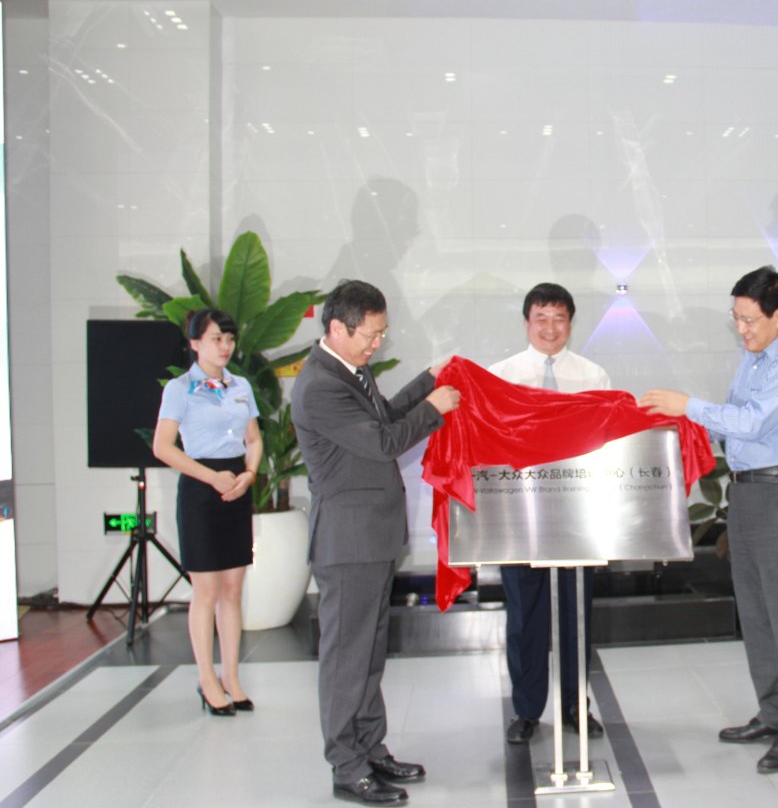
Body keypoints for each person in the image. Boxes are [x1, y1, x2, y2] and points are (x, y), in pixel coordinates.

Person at [639, 266, 778, 774]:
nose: (741, 329)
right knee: (757, 612)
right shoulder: (753, 358)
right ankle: (772, 713)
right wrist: (675, 425)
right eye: (736, 318)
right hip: (746, 494)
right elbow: (731, 427)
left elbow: (754, 422)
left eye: (749, 320)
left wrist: (688, 405)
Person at [290, 280, 460, 807]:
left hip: (371, 537)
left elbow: (383, 415)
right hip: (348, 542)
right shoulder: (320, 385)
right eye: (370, 334)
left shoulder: (350, 370)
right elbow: (385, 442)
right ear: (337, 328)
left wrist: (426, 381)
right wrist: (434, 407)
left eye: (382, 333)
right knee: (347, 658)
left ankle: (370, 748)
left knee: (368, 653)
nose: (377, 344)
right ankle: (347, 766)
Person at [487, 282, 610, 745]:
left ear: (570, 323)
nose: (550, 328)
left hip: (578, 516)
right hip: (519, 517)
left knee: (577, 616)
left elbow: (606, 441)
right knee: (524, 617)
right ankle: (526, 711)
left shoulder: (594, 376)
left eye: (559, 318)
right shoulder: (501, 376)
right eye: (541, 318)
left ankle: (576, 707)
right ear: (527, 323)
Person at [153, 308, 263, 717]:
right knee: (207, 591)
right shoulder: (180, 389)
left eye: (229, 339)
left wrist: (249, 474)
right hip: (201, 489)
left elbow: (254, 439)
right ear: (195, 343)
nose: (225, 346)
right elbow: (163, 447)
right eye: (217, 339)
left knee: (233, 590)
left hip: (236, 486)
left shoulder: (241, 385)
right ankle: (207, 680)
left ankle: (231, 678)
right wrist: (211, 477)